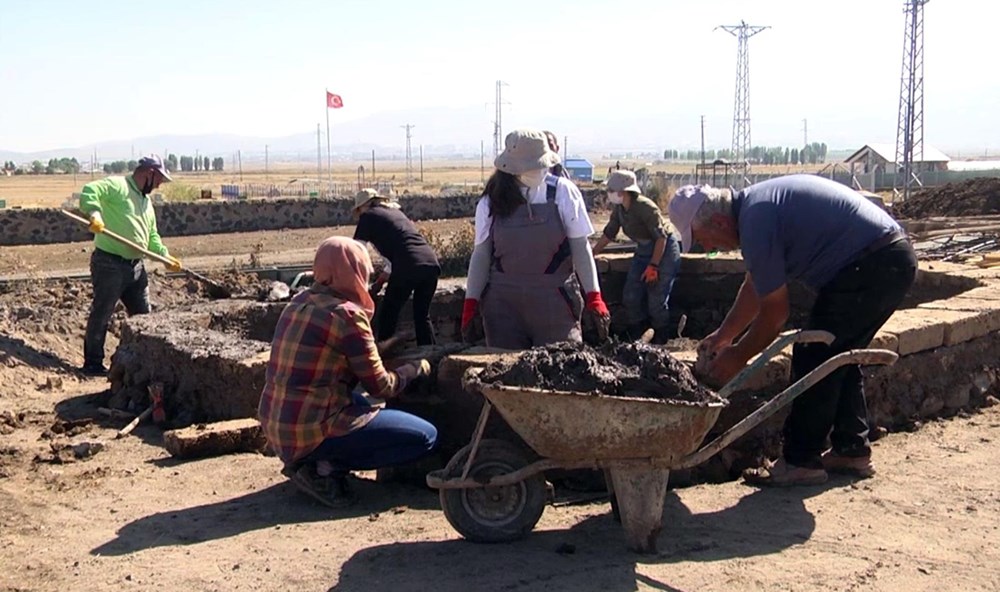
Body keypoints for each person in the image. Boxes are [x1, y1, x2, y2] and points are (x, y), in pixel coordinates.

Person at [668, 174, 917, 487]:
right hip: (888, 258)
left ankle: (801, 461)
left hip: (871, 264)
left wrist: (739, 356)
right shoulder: (755, 210)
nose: (707, 248)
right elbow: (757, 285)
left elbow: (775, 314)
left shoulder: (756, 220)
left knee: (814, 353)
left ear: (718, 222)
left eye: (702, 239)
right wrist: (725, 335)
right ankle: (851, 449)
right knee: (839, 356)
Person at [258, 236, 436, 508]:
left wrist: (379, 349)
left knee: (361, 404)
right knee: (425, 436)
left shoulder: (299, 301)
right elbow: (382, 387)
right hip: (306, 431)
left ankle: (310, 461)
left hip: (277, 425)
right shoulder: (347, 315)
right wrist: (415, 369)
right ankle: (324, 468)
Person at [462, 129, 610, 348]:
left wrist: (594, 296)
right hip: (503, 307)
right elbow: (481, 254)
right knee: (503, 365)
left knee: (562, 364)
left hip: (554, 302)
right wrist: (471, 302)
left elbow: (580, 247)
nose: (539, 170)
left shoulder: (563, 192)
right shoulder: (491, 200)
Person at [77, 155, 181, 376]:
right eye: (159, 179)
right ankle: (92, 364)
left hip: (136, 267)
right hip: (109, 264)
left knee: (144, 317)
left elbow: (152, 236)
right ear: (149, 173)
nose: (160, 184)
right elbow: (89, 190)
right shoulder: (118, 186)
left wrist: (165, 256)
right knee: (102, 312)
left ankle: (143, 361)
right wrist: (95, 214)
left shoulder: (146, 202)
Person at [592, 170, 681, 344]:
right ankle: (636, 333)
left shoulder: (645, 207)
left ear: (623, 192)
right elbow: (609, 233)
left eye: (611, 190)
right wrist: (592, 253)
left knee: (656, 298)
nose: (609, 194)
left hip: (663, 251)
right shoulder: (620, 210)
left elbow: (661, 238)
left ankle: (661, 336)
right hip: (643, 250)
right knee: (631, 295)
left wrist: (653, 266)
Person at [352, 188, 441, 346]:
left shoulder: (368, 216)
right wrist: (379, 283)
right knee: (422, 315)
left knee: (389, 313)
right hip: (430, 263)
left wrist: (356, 286)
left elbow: (357, 252)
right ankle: (430, 352)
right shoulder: (396, 214)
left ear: (363, 206)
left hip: (407, 266)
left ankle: (384, 354)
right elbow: (401, 251)